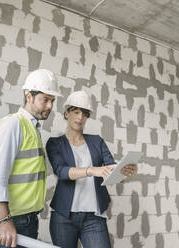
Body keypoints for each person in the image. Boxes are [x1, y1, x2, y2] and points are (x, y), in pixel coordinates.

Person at [0, 69, 62, 248]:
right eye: (45, 100)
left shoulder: (31, 128)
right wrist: (4, 220)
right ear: (29, 96)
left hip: (26, 220)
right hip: (10, 220)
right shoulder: (13, 124)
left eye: (52, 101)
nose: (49, 106)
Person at [46, 90, 138, 248]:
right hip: (63, 218)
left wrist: (126, 172)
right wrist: (91, 170)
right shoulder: (55, 143)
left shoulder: (97, 141)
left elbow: (110, 168)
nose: (80, 118)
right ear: (66, 113)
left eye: (85, 114)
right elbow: (61, 171)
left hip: (93, 217)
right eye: (76, 112)